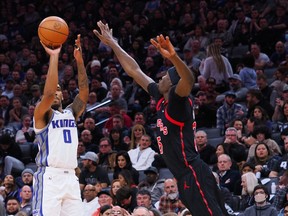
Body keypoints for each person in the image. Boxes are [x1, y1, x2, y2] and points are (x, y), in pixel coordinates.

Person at [94, 20, 227, 216]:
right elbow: (135, 70)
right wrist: (113, 44)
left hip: (193, 172)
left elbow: (188, 79)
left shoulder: (177, 103)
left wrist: (174, 57)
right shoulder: (161, 96)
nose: (160, 78)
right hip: (184, 176)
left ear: (173, 85)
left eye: (165, 77)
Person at [32, 35, 89, 216]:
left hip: (71, 177)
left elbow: (85, 90)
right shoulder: (42, 114)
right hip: (50, 177)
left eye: (59, 89)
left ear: (63, 94)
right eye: (52, 90)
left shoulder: (71, 112)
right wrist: (54, 56)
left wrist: (79, 61)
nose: (55, 93)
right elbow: (48, 95)